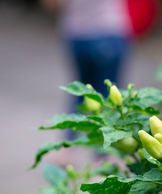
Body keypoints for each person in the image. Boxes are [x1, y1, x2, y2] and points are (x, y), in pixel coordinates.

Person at [41, 0, 132, 139]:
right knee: (109, 95)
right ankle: (104, 154)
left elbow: (52, 4)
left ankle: (68, 147)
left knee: (80, 90)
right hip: (108, 31)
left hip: (77, 34)